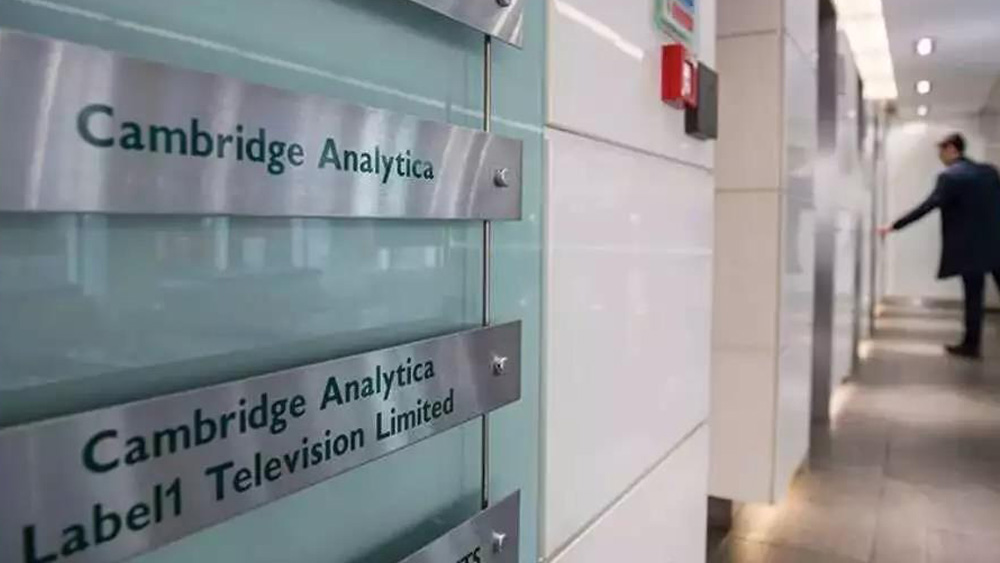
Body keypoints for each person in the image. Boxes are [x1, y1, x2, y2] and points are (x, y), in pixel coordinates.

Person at [879, 133, 1000, 359]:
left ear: (952, 149)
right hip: (996, 241)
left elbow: (928, 206)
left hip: (971, 248)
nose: (940, 156)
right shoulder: (989, 172)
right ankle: (970, 345)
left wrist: (894, 226)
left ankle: (971, 345)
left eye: (941, 151)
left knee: (974, 297)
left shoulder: (950, 177)